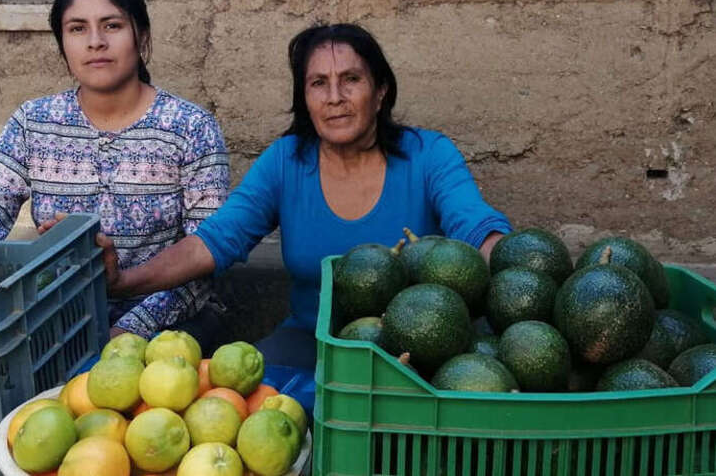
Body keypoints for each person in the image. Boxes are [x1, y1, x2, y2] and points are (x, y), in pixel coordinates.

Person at [98, 23, 512, 370]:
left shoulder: (429, 155)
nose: (335, 98)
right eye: (318, 83)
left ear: (381, 90)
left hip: (420, 349)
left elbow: (475, 225)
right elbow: (215, 240)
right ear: (305, 98)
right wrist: (125, 282)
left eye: (351, 80)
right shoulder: (286, 162)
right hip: (312, 342)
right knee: (246, 398)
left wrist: (520, 270)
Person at [0, 0, 230, 349]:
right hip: (62, 320)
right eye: (77, 29)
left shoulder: (190, 127)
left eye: (112, 25)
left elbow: (204, 259)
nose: (95, 42)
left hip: (171, 328)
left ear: (141, 35)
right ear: (62, 44)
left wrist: (128, 332)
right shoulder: (33, 123)